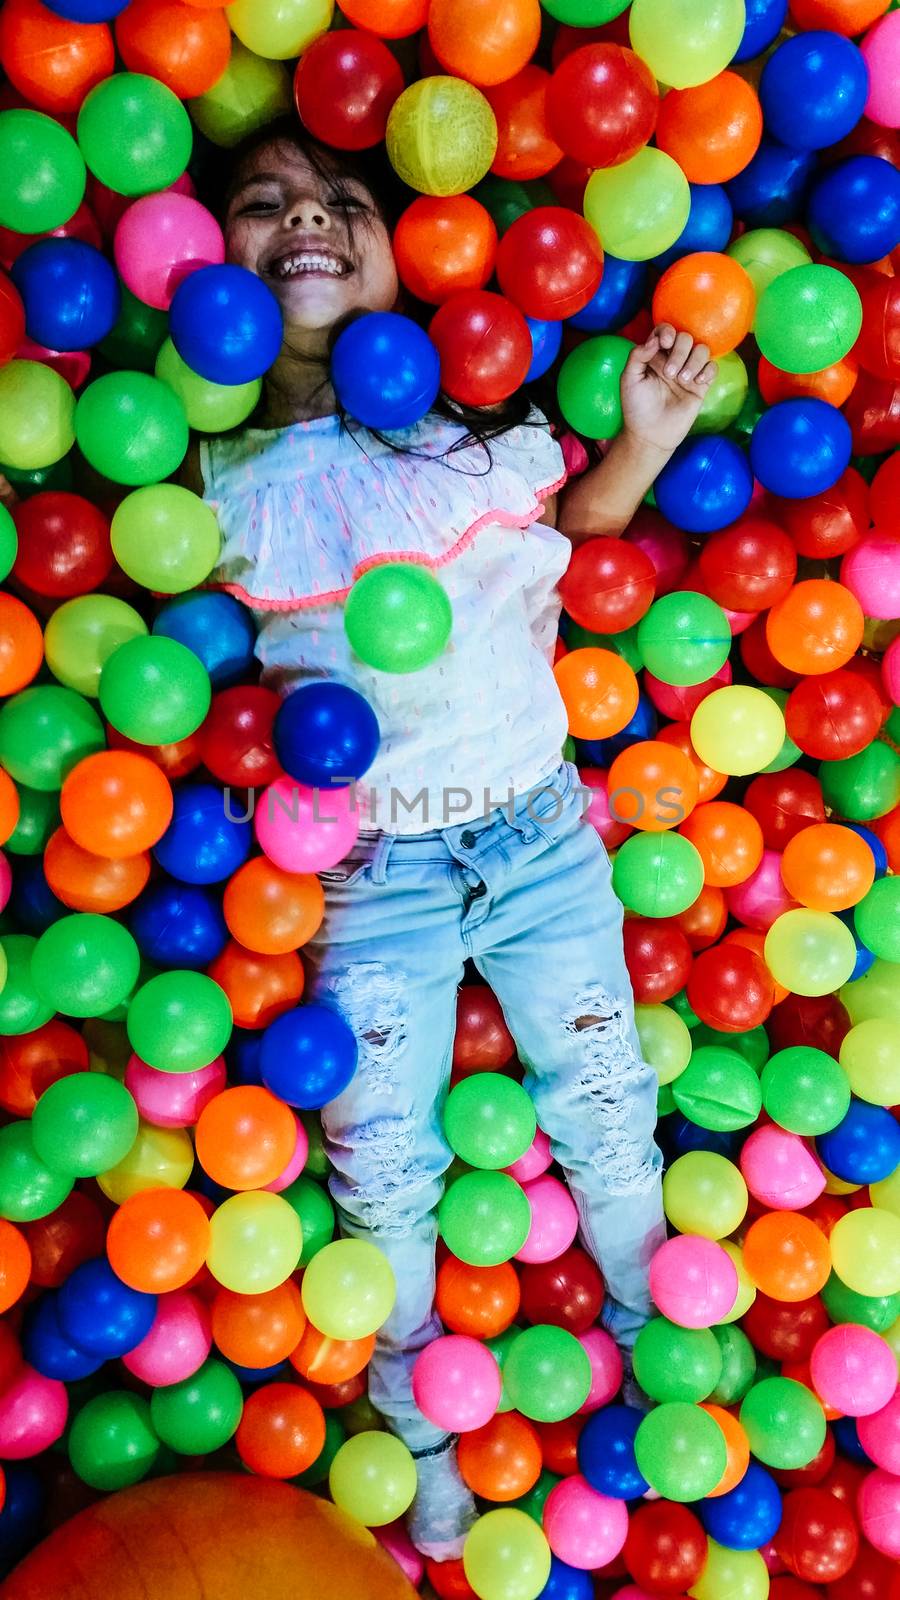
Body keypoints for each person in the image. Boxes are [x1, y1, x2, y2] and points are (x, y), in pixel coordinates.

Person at [192, 118, 717, 1561]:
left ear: (404, 251)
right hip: (369, 867)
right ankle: (415, 1425)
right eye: (262, 202)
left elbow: (579, 540)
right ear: (202, 264)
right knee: (381, 1151)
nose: (306, 218)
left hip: (538, 832)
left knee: (604, 1091)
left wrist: (648, 438)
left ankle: (643, 1319)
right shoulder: (207, 463)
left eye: (340, 199)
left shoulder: (470, 426)